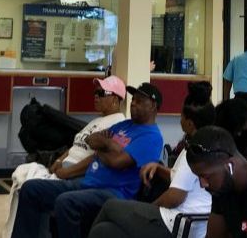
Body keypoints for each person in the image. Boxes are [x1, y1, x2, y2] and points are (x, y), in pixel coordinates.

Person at [12, 83, 164, 238]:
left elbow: (117, 162)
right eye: (133, 99)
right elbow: (92, 139)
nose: (133, 103)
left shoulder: (151, 137)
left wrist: (104, 147)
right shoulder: (124, 125)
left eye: (139, 101)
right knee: (30, 189)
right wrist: (109, 146)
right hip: (87, 183)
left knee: (66, 202)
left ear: (153, 106)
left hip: (114, 192)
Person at [3, 75, 128, 238]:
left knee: (31, 190)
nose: (96, 97)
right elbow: (76, 145)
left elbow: (98, 158)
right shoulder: (97, 121)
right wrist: (59, 160)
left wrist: (67, 172)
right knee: (24, 179)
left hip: (79, 175)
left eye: (102, 93)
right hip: (65, 169)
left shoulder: (118, 124)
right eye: (95, 93)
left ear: (115, 99)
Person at [88, 82, 216, 238]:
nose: (179, 119)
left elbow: (175, 197)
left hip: (177, 223)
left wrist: (148, 210)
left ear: (189, 123)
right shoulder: (206, 146)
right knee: (104, 231)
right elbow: (183, 179)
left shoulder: (194, 151)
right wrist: (159, 167)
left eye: (181, 116)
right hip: (186, 221)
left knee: (110, 206)